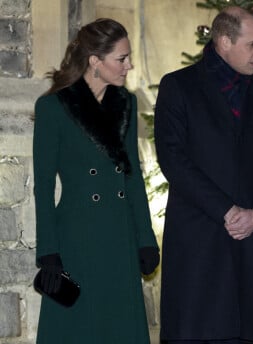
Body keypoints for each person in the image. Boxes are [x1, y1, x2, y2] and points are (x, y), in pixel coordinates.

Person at [154, 5, 253, 344]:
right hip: (197, 241)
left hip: (246, 243)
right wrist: (227, 211)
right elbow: (173, 159)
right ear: (224, 41)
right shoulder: (178, 86)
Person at [33, 18, 159, 344]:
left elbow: (132, 176)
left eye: (129, 57)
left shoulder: (126, 104)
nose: (129, 65)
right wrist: (48, 252)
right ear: (95, 61)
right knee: (78, 329)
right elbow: (43, 186)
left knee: (119, 328)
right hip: (77, 237)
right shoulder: (52, 107)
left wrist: (145, 239)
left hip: (119, 236)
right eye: (121, 58)